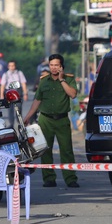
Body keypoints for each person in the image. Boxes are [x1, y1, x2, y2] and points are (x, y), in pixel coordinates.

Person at [23, 54, 79, 188]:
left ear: (61, 67)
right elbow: (37, 100)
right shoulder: (44, 81)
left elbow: (72, 94)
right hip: (45, 120)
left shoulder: (69, 79)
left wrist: (61, 80)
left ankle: (70, 178)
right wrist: (28, 116)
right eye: (51, 65)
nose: (53, 68)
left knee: (66, 150)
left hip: (62, 120)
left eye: (56, 65)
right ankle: (49, 178)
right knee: (45, 150)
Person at [0, 60, 28, 126]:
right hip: (9, 93)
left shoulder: (19, 73)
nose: (12, 67)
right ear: (8, 66)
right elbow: (2, 85)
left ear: (15, 66)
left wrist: (25, 93)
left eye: (13, 66)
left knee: (19, 108)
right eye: (10, 66)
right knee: (10, 110)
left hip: (18, 93)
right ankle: (11, 124)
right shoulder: (5, 74)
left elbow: (23, 83)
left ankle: (20, 122)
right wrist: (1, 95)